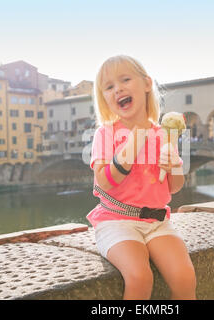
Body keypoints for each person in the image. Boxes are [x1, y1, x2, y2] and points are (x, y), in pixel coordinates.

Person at [87, 55, 196, 300]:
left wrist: (173, 167)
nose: (118, 89)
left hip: (157, 221)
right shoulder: (105, 134)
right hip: (115, 221)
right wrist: (135, 140)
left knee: (184, 277)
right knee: (139, 277)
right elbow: (105, 181)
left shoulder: (163, 134)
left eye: (125, 79)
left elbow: (174, 188)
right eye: (109, 87)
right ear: (104, 98)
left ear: (147, 83)